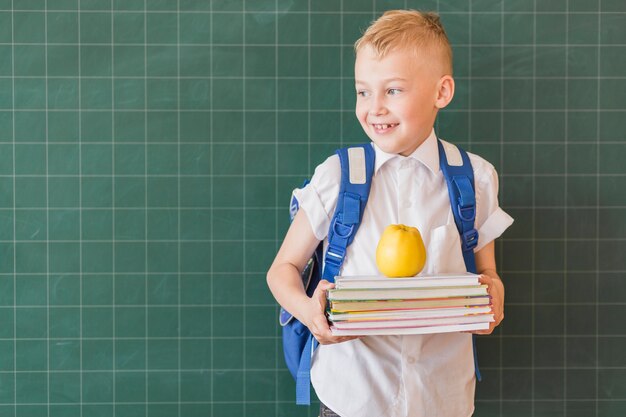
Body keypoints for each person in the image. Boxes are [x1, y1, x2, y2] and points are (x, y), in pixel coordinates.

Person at [266, 9, 513, 417]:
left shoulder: (477, 179)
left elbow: (487, 275)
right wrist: (310, 312)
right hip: (353, 396)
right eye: (363, 92)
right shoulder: (337, 177)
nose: (374, 108)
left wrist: (493, 297)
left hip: (443, 398)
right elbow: (282, 270)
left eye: (393, 91)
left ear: (441, 92)